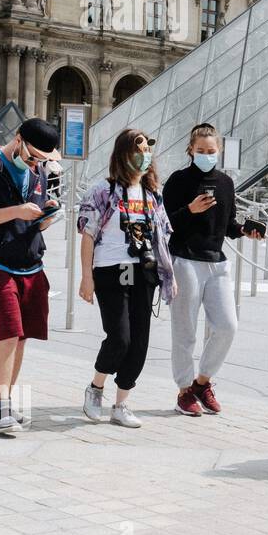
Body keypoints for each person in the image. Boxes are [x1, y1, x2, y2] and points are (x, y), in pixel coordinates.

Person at [0, 119, 63, 433]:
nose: (36, 164)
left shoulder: (39, 171)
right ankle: (0, 405)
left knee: (21, 337)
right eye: (33, 157)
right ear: (18, 140)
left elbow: (34, 214)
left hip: (31, 261)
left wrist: (45, 217)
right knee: (7, 333)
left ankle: (4, 402)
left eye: (42, 161)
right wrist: (17, 211)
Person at [75, 128, 177, 428]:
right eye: (138, 149)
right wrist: (86, 277)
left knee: (140, 343)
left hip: (144, 274)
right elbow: (88, 235)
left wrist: (169, 274)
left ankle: (121, 404)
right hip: (110, 270)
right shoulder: (102, 191)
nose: (144, 156)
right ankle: (95, 388)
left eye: (147, 150)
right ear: (123, 154)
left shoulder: (153, 195)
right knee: (119, 337)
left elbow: (162, 238)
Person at [163, 123, 263, 416]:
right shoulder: (178, 181)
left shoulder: (225, 183)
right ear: (190, 150)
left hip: (217, 262)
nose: (207, 155)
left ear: (218, 150)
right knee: (185, 332)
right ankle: (184, 392)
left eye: (211, 151)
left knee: (227, 326)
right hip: (185, 260)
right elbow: (165, 222)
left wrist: (245, 230)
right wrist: (190, 211)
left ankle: (201, 382)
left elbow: (228, 225)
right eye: (201, 151)